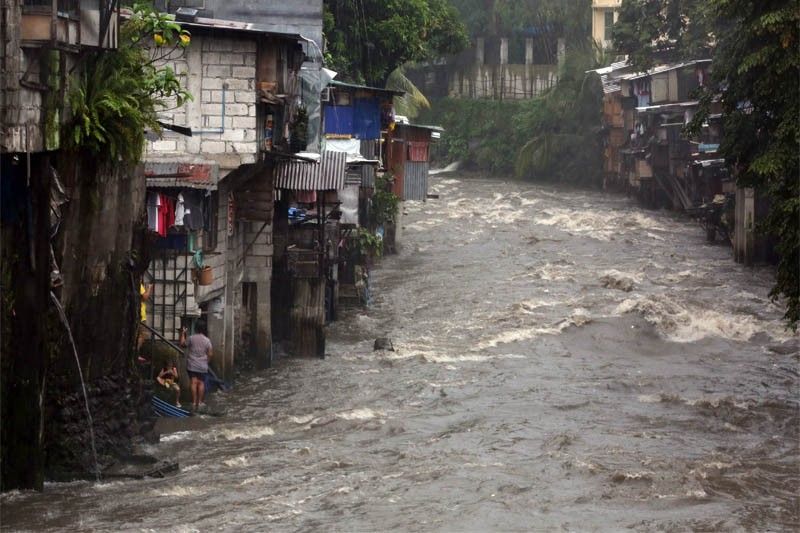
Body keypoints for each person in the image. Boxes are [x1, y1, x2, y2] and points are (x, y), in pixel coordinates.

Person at [180, 323, 213, 411]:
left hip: (192, 364)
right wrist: (206, 361)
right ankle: (200, 402)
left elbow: (183, 344)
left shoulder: (191, 338)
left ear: (196, 329)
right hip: (202, 365)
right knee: (201, 383)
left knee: (193, 382)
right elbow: (210, 353)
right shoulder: (207, 340)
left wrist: (183, 333)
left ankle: (194, 402)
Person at [137, 283, 152, 353]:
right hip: (140, 316)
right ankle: (136, 353)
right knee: (143, 335)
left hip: (138, 315)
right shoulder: (138, 285)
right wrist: (149, 288)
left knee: (141, 335)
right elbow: (145, 297)